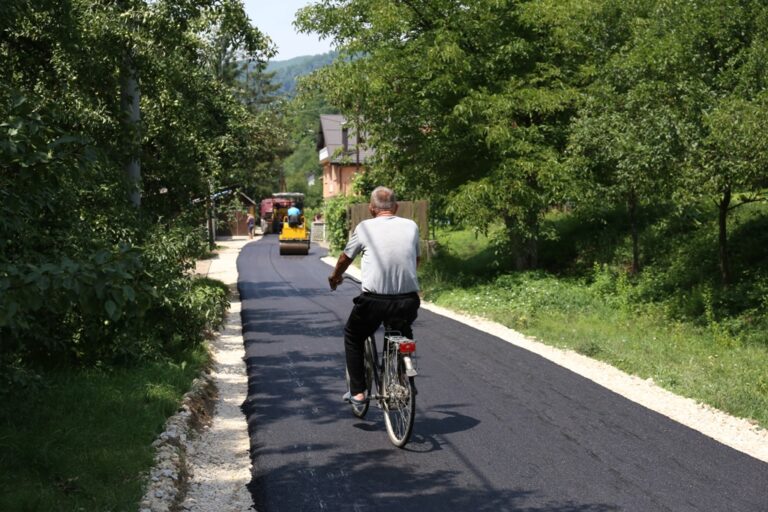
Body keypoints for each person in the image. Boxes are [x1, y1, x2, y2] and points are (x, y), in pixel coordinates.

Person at [328, 186, 421, 405]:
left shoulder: (364, 228)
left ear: (371, 209)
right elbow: (415, 261)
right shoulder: (411, 226)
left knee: (353, 334)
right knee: (401, 331)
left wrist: (335, 277)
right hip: (407, 300)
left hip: (374, 302)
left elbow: (345, 258)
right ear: (396, 207)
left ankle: (358, 391)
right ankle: (401, 377)